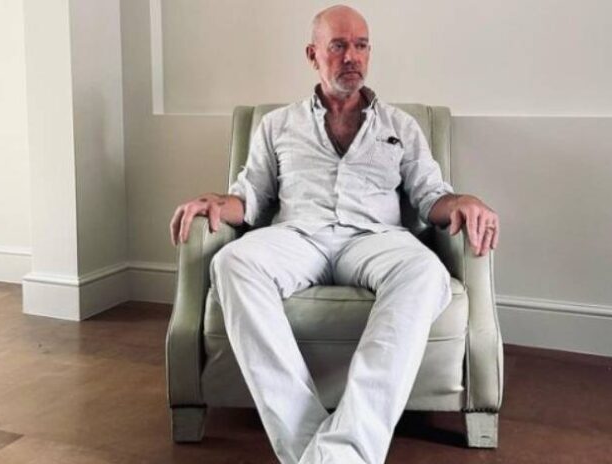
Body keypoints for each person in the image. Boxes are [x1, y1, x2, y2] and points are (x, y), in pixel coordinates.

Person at [169, 5, 499, 464]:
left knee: (426, 274)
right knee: (232, 261)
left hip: (375, 238)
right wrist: (216, 202)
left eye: (361, 46)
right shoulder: (276, 124)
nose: (352, 57)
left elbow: (431, 197)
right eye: (338, 46)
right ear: (313, 54)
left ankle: (338, 452)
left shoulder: (400, 126)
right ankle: (331, 451)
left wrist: (464, 201)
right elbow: (250, 198)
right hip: (298, 235)